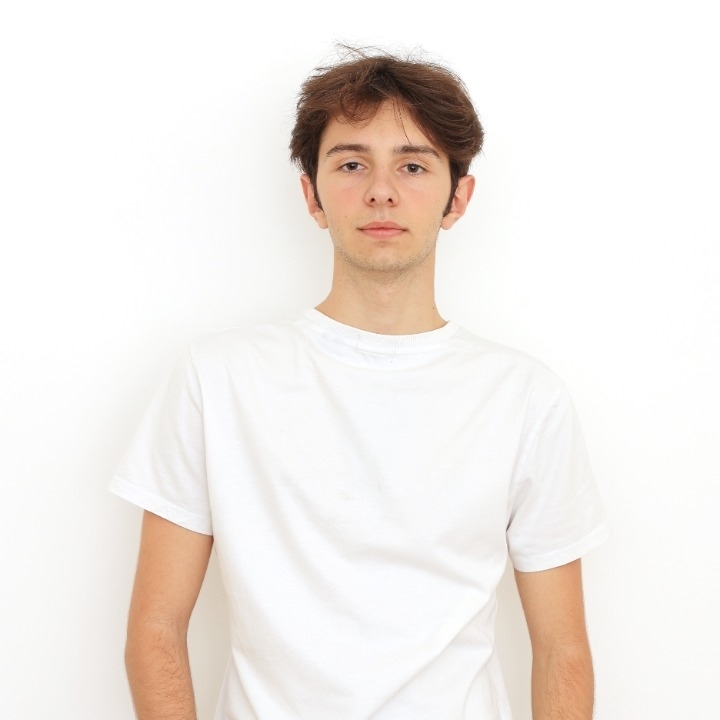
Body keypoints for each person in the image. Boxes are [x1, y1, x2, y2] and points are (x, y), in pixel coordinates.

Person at [111, 45, 609, 720]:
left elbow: (562, 650)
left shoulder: (524, 398)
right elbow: (156, 629)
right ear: (311, 195)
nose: (381, 191)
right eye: (351, 164)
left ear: (458, 197)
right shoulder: (217, 379)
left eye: (413, 165)